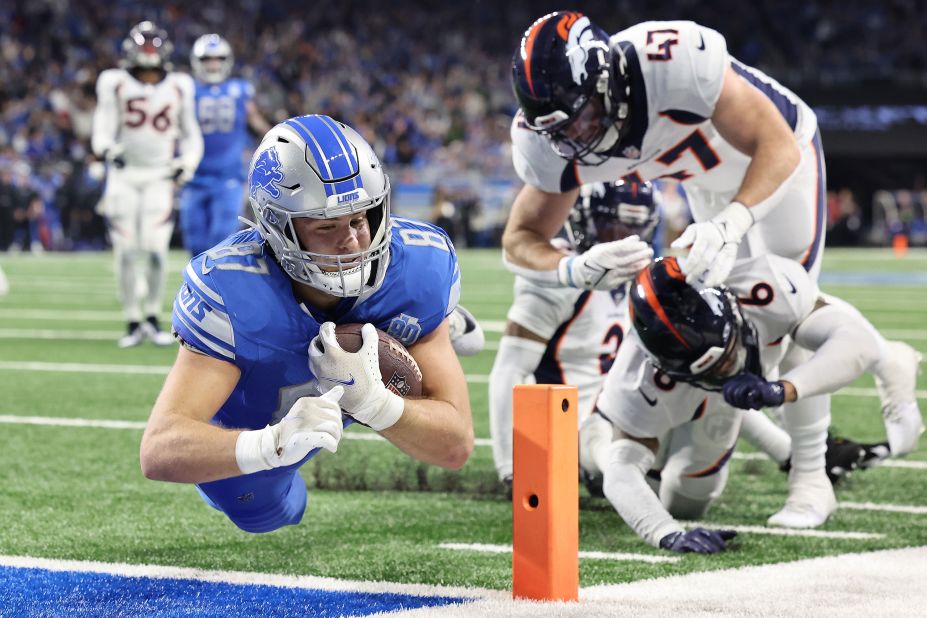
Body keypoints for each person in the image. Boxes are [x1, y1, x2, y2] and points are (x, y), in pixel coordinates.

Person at [504, 11, 922, 515]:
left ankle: (811, 477)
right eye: (560, 129)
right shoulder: (550, 142)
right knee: (708, 322)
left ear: (608, 79)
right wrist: (576, 268)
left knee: (780, 318)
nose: (577, 136)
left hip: (777, 162)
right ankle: (880, 354)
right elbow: (522, 238)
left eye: (584, 115)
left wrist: (732, 225)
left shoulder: (672, 61)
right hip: (705, 185)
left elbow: (776, 145)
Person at [139, 115, 473, 533]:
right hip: (269, 418)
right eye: (326, 226)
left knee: (418, 333)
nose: (351, 240)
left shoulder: (417, 270)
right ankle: (421, 329)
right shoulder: (233, 290)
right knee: (267, 515)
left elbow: (455, 447)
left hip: (381, 357)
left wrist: (376, 403)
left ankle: (433, 328)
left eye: (359, 218)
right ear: (279, 228)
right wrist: (271, 444)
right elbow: (159, 448)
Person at [594, 254, 886, 552]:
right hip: (644, 408)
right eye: (715, 368)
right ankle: (641, 464)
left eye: (730, 353)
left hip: (707, 398)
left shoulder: (765, 286)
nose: (732, 369)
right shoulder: (639, 378)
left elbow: (859, 342)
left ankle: (796, 455)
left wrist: (781, 390)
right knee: (599, 465)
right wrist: (666, 533)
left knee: (691, 499)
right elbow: (621, 470)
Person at [91, 21, 203, 347]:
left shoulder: (181, 85)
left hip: (159, 176)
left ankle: (152, 316)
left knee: (155, 250)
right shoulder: (114, 82)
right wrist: (108, 150)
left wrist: (187, 163)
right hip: (124, 176)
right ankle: (132, 320)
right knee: (126, 251)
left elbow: (191, 134)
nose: (149, 54)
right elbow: (102, 129)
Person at [180, 33, 271, 257]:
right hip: (193, 177)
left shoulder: (240, 89)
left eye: (218, 58)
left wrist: (277, 137)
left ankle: (218, 289)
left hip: (228, 176)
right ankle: (199, 289)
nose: (213, 64)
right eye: (207, 59)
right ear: (197, 61)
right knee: (195, 239)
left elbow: (255, 119)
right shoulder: (186, 90)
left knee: (221, 238)